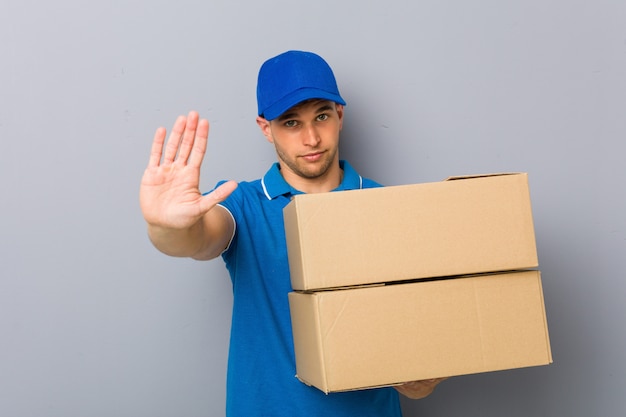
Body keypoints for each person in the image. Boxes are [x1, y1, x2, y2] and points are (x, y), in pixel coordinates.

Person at [140, 50, 446, 417]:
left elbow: (417, 355)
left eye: (321, 116)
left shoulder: (386, 205)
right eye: (291, 123)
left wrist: (422, 377)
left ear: (340, 115)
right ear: (265, 128)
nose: (312, 138)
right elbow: (198, 239)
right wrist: (165, 226)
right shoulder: (243, 204)